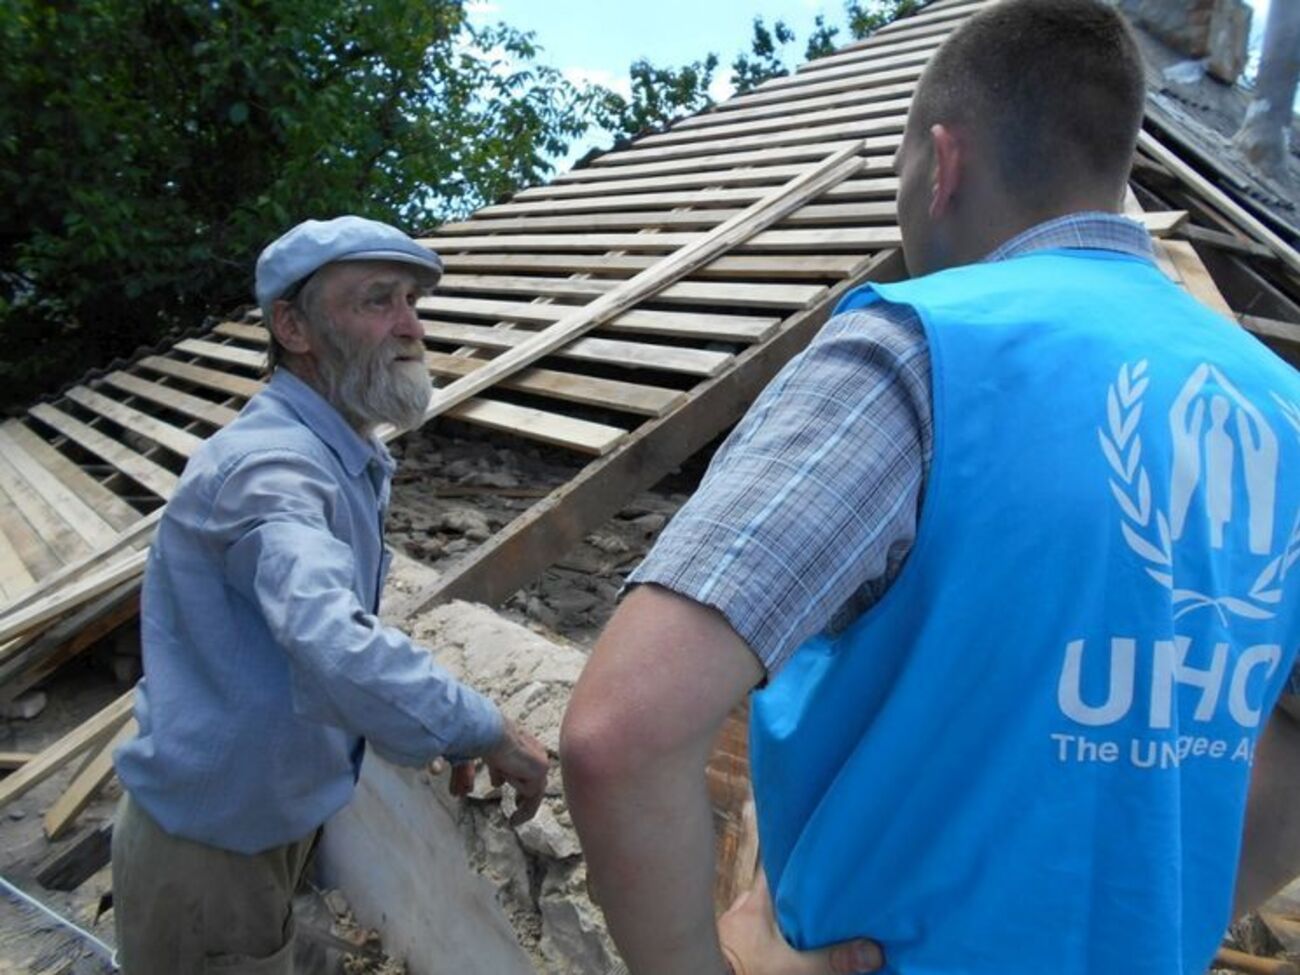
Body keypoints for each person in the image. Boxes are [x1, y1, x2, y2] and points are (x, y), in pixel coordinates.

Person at [559, 2, 1300, 973]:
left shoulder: (917, 350)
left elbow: (619, 735)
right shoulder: (1283, 406)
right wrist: (1175, 918)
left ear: (941, 163)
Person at [111, 216, 549, 973]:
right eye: (377, 301)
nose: (411, 326)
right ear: (294, 326)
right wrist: (485, 728)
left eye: (412, 300)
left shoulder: (337, 450)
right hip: (211, 852)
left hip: (249, 828)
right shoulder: (271, 469)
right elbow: (333, 641)